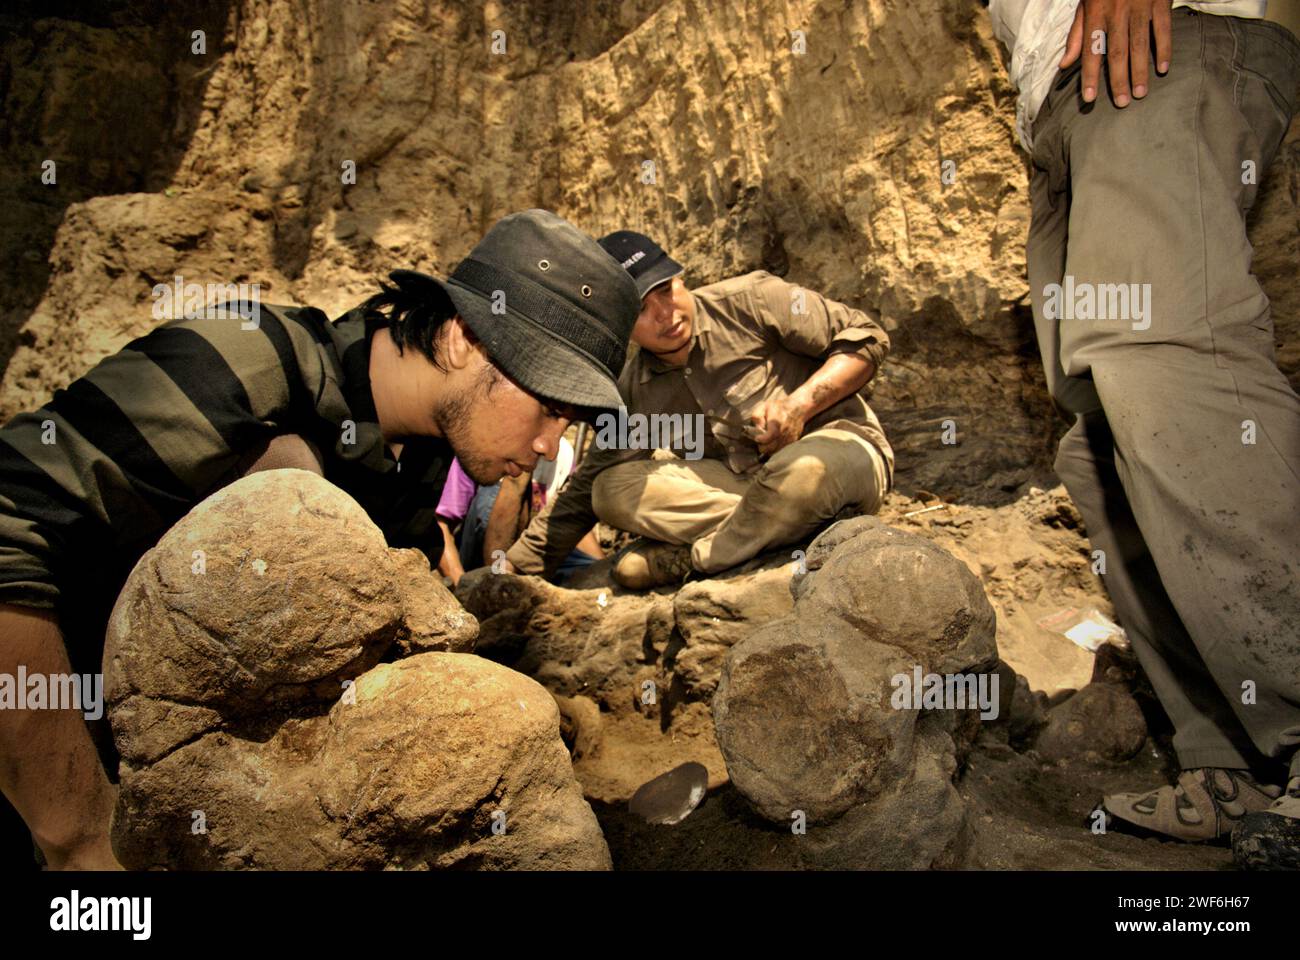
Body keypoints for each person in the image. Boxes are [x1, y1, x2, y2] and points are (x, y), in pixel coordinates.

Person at [0, 208, 639, 869]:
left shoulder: (417, 464)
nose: (546, 446)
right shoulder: (251, 362)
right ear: (460, 338)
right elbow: (10, 519)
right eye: (551, 408)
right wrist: (80, 835)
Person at [988, 0, 1300, 859]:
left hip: (1153, 46)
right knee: (1099, 446)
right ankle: (1234, 759)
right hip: (1064, 106)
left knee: (1173, 368)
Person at [502, 230, 894, 589]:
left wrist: (800, 404)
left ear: (681, 279)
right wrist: (517, 568)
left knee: (803, 473)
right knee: (610, 490)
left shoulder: (752, 300)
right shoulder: (633, 389)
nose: (665, 313)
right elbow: (589, 485)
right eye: (640, 309)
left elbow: (867, 337)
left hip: (838, 456)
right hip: (749, 488)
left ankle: (700, 558)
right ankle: (786, 530)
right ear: (618, 326)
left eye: (667, 290)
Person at [436, 443, 604, 585]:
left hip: (530, 562)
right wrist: (461, 584)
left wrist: (601, 572)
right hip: (477, 562)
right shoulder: (478, 448)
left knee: (587, 571)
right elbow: (441, 525)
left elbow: (569, 520)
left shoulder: (563, 453)